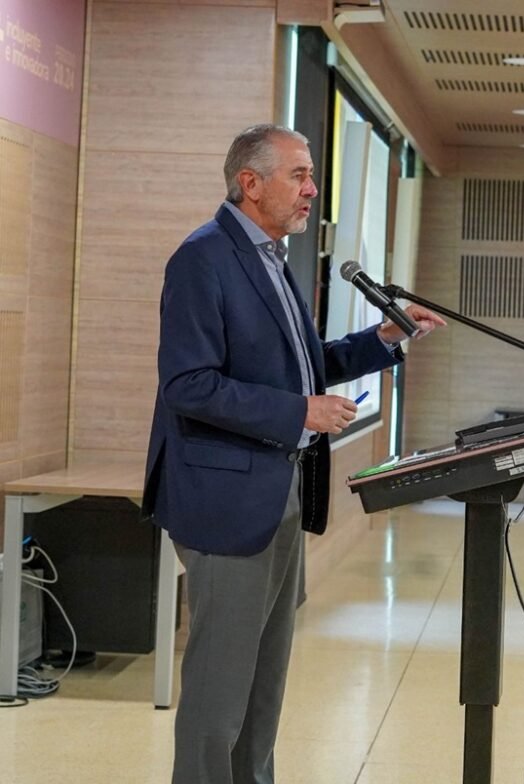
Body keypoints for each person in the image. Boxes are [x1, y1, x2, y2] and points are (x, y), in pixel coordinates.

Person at [141, 124, 447, 784]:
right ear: (249, 183)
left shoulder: (274, 260)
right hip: (226, 504)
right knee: (219, 694)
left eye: (311, 175)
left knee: (262, 688)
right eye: (299, 175)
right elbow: (188, 385)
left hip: (280, 493)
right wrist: (297, 413)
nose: (312, 189)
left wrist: (382, 339)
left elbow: (304, 367)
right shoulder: (202, 258)